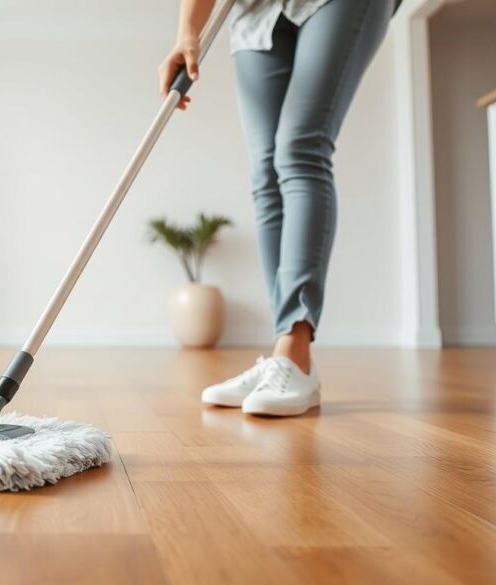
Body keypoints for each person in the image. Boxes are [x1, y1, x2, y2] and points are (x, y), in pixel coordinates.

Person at [159, 0, 393, 416]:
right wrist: (187, 32)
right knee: (265, 172)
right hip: (256, 10)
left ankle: (295, 350)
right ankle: (284, 354)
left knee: (300, 149)